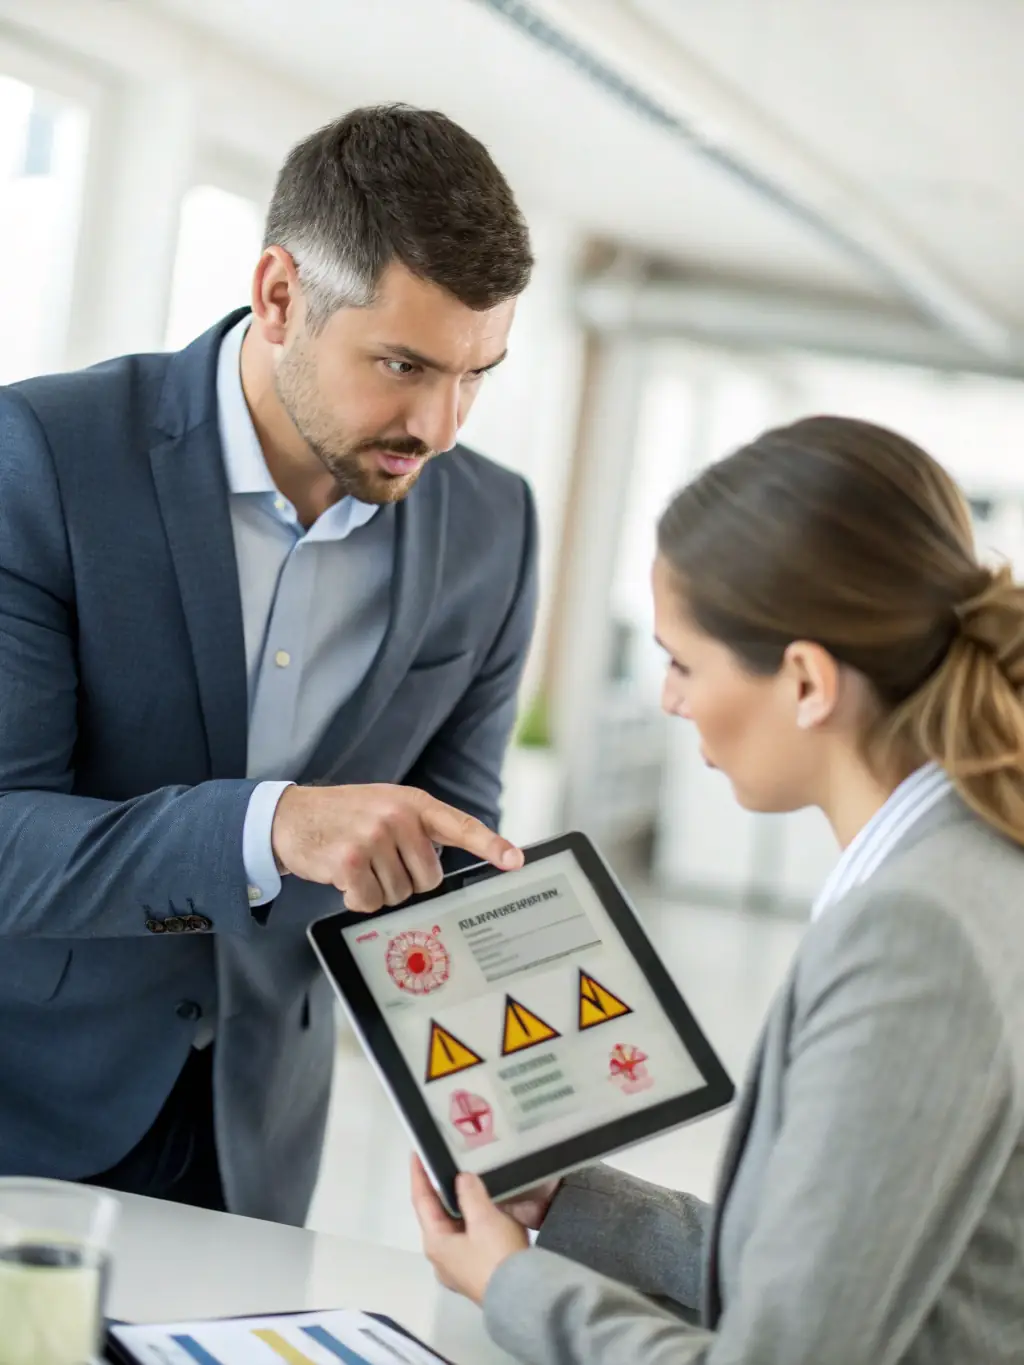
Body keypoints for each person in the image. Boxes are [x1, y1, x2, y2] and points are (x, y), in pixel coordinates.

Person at [0, 104, 538, 1225]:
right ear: (280, 295)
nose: (438, 425)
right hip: (30, 1105)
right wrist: (271, 825)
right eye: (403, 364)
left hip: (258, 1141)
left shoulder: (492, 527)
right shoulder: (45, 456)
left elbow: (445, 864)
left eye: (476, 374)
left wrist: (528, 1116)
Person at [411, 415, 1024, 1364]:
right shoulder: (964, 867)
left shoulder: (918, 929)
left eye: (684, 660)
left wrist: (509, 1282)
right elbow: (834, 1265)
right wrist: (575, 1207)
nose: (669, 698)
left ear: (808, 681)